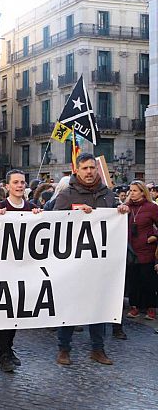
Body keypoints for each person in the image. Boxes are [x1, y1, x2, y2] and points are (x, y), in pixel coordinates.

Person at [53, 153, 129, 366]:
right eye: (85, 168)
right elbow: (54, 224)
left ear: (97, 169)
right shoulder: (67, 195)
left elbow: (113, 223)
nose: (89, 172)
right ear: (76, 170)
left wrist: (120, 211)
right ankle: (64, 349)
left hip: (98, 263)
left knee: (99, 305)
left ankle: (98, 349)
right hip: (72, 262)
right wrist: (75, 213)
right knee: (69, 306)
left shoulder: (108, 195)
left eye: (92, 168)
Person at [0, 169, 43, 372]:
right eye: (16, 182)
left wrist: (39, 217)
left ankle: (9, 348)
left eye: (23, 182)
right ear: (7, 186)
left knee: (17, 312)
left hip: (24, 269)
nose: (20, 186)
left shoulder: (32, 208)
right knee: (4, 311)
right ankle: (3, 353)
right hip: (2, 269)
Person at [124, 181, 158, 321]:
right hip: (130, 250)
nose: (132, 193)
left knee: (147, 280)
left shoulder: (152, 208)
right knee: (133, 280)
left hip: (146, 250)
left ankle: (151, 308)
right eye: (130, 190)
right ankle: (134, 307)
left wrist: (155, 236)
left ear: (142, 192)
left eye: (135, 190)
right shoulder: (125, 208)